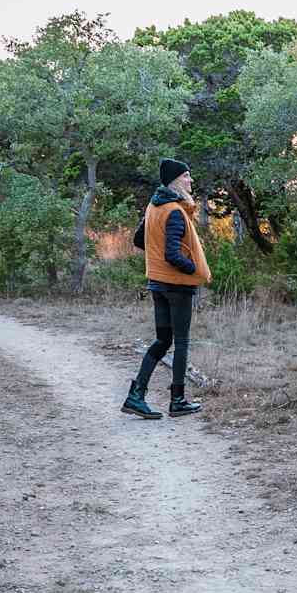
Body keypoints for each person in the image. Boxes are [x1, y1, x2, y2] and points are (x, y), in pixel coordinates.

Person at [122, 158, 212, 420]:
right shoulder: (173, 210)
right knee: (181, 342)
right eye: (186, 176)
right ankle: (178, 400)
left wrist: (159, 260)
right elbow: (172, 253)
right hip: (176, 286)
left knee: (163, 340)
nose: (190, 181)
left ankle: (135, 396)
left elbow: (140, 239)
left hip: (158, 284)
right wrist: (192, 269)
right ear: (175, 181)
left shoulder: (154, 206)